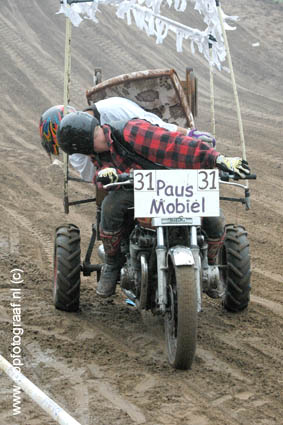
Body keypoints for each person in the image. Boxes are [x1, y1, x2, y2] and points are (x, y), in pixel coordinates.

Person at [57, 111, 250, 298]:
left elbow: (177, 145)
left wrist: (217, 158)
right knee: (110, 207)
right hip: (138, 188)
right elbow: (103, 172)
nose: (97, 143)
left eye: (96, 134)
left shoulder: (132, 131)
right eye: (89, 147)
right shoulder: (97, 152)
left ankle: (209, 261)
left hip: (180, 182)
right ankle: (112, 262)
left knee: (214, 217)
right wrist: (105, 175)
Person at [39, 98, 216, 182]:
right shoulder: (76, 153)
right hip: (126, 181)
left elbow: (154, 126)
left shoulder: (115, 108)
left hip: (155, 155)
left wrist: (189, 134)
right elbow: (91, 176)